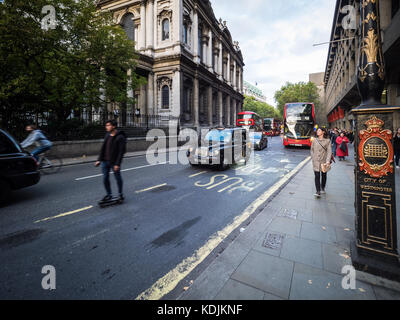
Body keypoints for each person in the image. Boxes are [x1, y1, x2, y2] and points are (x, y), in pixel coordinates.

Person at [95, 120, 127, 202]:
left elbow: (121, 152)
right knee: (105, 178)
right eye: (106, 125)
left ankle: (120, 194)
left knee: (118, 178)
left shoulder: (120, 137)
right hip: (105, 161)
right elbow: (103, 148)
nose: (106, 127)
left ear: (113, 126)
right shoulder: (107, 135)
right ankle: (109, 194)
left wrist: (117, 164)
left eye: (108, 125)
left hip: (114, 162)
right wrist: (99, 159)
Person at [311, 127, 332, 198]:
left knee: (323, 175)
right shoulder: (314, 140)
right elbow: (312, 150)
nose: (317, 132)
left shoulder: (327, 141)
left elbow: (329, 151)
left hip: (324, 161)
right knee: (317, 176)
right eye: (317, 130)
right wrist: (313, 157)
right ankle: (318, 191)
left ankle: (322, 187)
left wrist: (328, 161)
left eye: (319, 130)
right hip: (316, 161)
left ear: (323, 132)